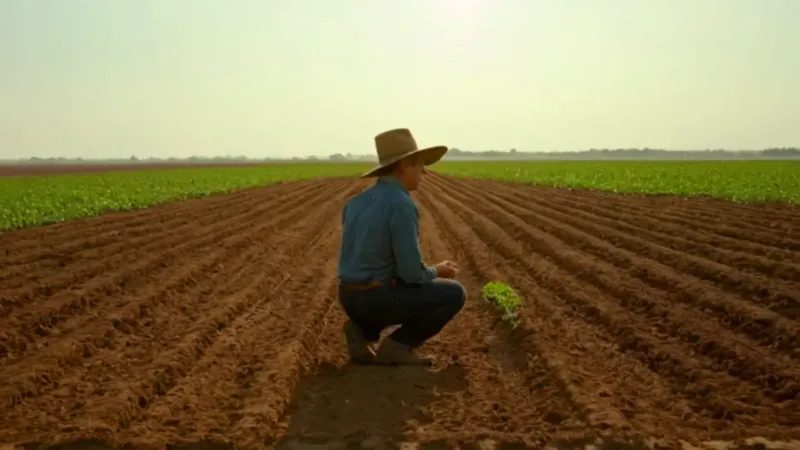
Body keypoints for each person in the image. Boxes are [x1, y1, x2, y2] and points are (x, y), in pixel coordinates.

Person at [336, 128, 467, 366]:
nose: (424, 172)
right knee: (454, 293)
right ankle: (398, 346)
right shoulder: (401, 205)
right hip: (376, 299)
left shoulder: (354, 203)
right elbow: (411, 274)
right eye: (420, 165)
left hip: (348, 299)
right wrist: (437, 270)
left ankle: (361, 331)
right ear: (404, 166)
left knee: (387, 286)